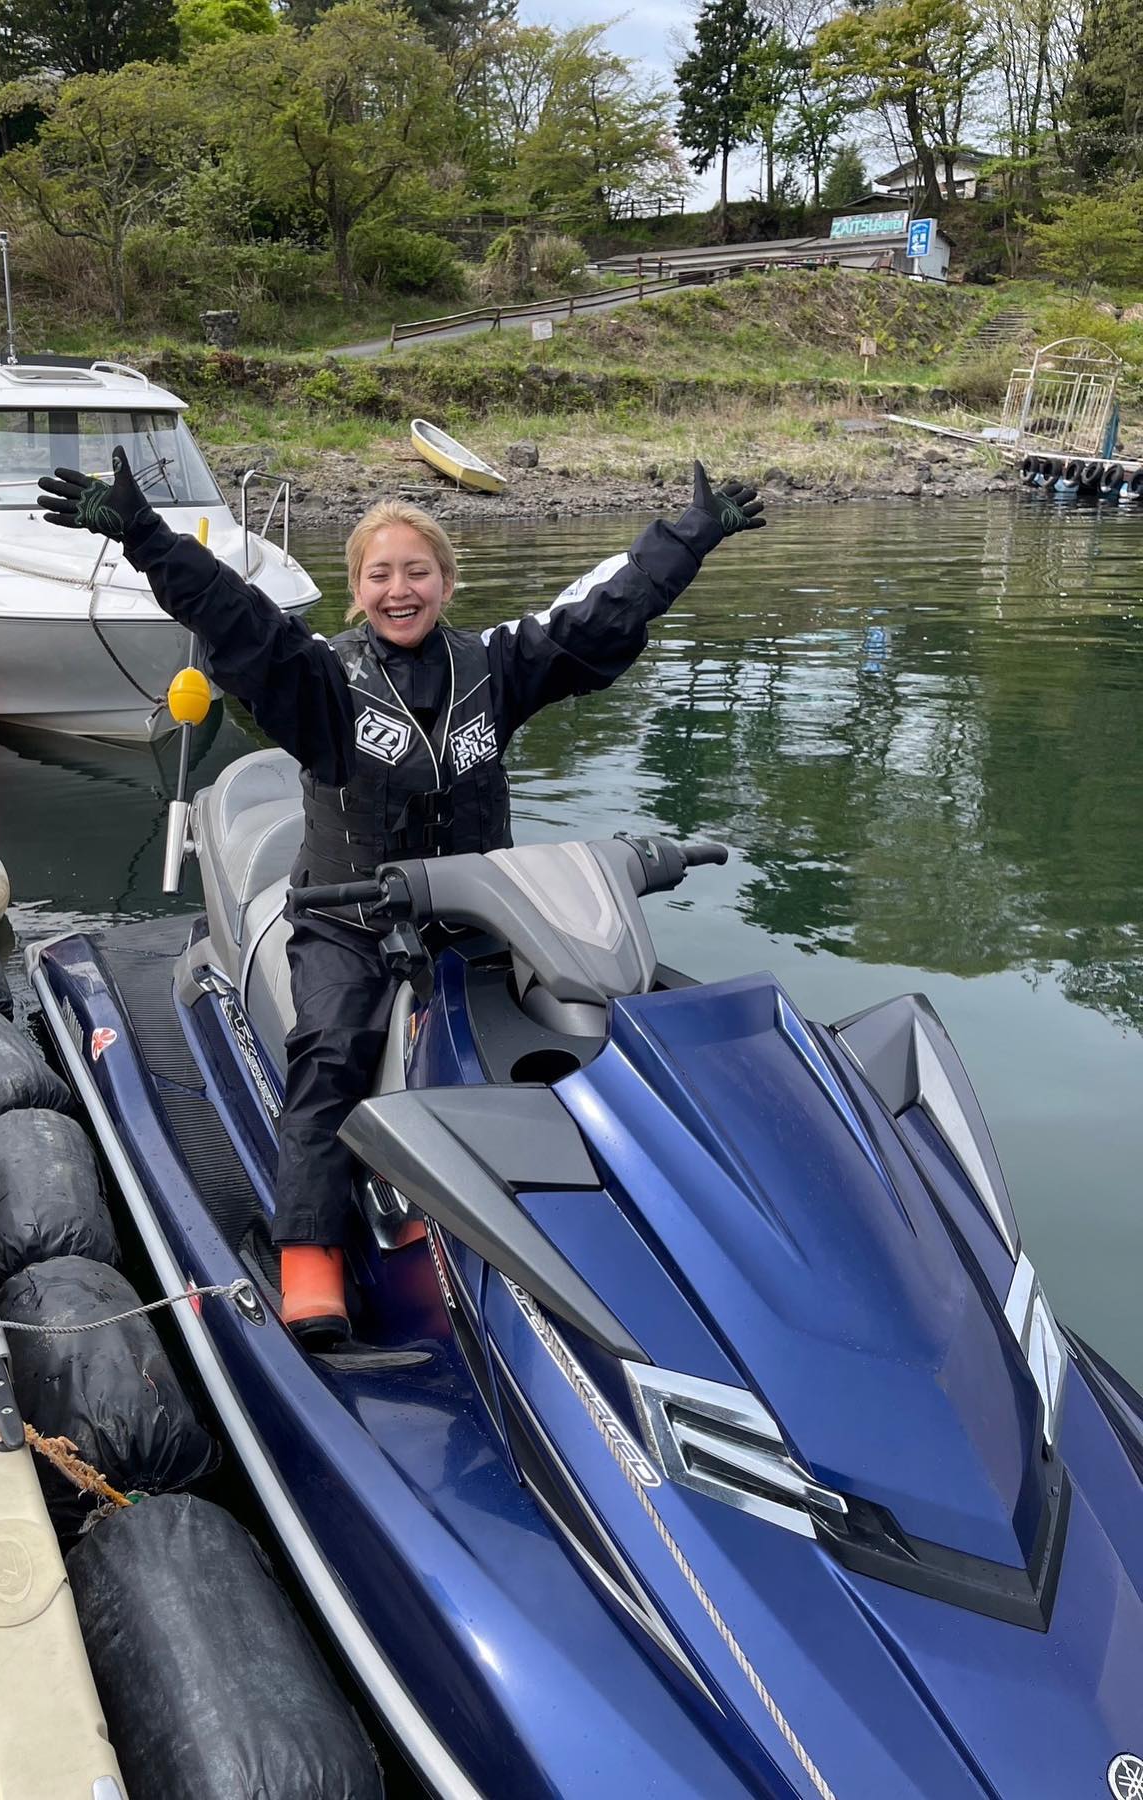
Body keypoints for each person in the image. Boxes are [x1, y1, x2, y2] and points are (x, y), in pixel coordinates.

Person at [39, 451, 765, 1345]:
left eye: (416, 571)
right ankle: (309, 1251)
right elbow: (234, 616)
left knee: (592, 1024)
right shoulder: (317, 680)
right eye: (379, 574)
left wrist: (690, 538)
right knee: (334, 1052)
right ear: (356, 590)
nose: (399, 588)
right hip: (345, 919)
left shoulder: (496, 668)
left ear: (447, 580)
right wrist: (148, 537)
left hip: (477, 919)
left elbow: (601, 615)